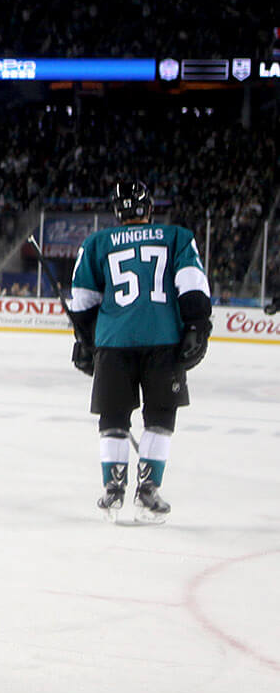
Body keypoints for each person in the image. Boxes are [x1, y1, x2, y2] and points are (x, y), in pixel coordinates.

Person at [66, 181, 211, 521]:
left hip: (113, 341)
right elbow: (191, 282)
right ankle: (148, 491)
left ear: (118, 213)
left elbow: (83, 300)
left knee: (113, 416)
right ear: (149, 209)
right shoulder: (176, 236)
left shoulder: (96, 243)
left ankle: (113, 490)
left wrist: (86, 342)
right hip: (163, 338)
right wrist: (196, 326)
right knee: (160, 415)